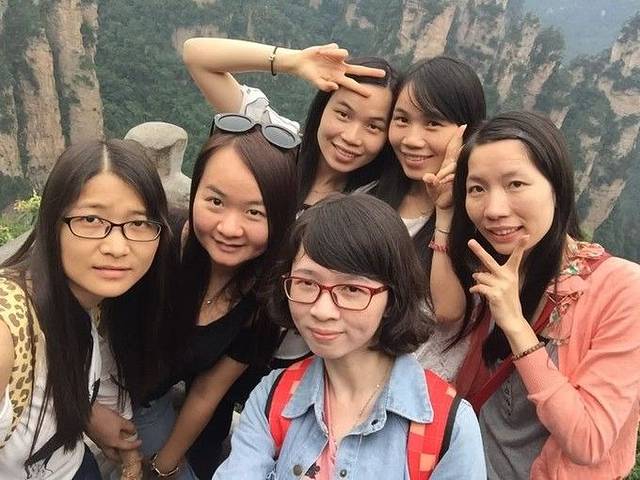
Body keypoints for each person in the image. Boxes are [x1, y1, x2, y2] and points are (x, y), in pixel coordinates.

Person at [214, 193, 485, 480]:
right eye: (306, 283)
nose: (322, 310)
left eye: (352, 289)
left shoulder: (447, 426)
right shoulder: (273, 396)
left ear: (392, 298)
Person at [436, 111, 640, 478]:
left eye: (515, 184)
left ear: (557, 187)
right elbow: (444, 312)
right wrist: (442, 210)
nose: (494, 210)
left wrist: (515, 325)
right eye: (477, 188)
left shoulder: (622, 288)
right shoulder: (490, 266)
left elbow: (589, 441)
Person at [132, 118, 299, 479]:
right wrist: (93, 415)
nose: (229, 228)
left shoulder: (262, 298)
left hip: (151, 400)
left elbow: (208, 391)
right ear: (195, 195)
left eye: (255, 212)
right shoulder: (153, 243)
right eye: (216, 201)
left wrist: (162, 468)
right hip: (90, 392)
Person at [0, 139, 173, 479]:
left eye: (138, 223)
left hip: (75, 466)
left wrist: (87, 414)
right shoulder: (10, 326)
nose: (117, 247)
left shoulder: (92, 300)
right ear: (53, 222)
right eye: (91, 219)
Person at [182, 37, 400, 211]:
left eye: (373, 126)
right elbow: (196, 56)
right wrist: (293, 62)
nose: (351, 137)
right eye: (343, 114)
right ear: (322, 108)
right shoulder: (278, 144)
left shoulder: (377, 205)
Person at [375, 56, 486, 380]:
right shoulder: (370, 197)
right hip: (345, 381)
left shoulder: (482, 219)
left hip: (416, 395)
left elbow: (447, 311)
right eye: (402, 119)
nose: (411, 139)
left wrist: (446, 213)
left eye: (432, 123)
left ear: (467, 131)